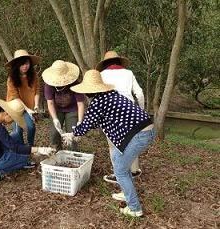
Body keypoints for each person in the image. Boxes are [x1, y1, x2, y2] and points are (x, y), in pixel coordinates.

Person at [62, 70, 155, 217]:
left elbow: (86, 125)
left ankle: (135, 208)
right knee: (121, 166)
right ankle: (127, 194)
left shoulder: (98, 102)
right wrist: (77, 132)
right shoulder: (111, 94)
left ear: (88, 92)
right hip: (144, 131)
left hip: (139, 135)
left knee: (120, 171)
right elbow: (93, 122)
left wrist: (72, 134)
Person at [0, 98, 55, 183]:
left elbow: (2, 140)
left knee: (16, 135)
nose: (13, 121)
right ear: (6, 114)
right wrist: (38, 149)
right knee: (27, 158)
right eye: (13, 118)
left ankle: (10, 160)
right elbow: (15, 148)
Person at [96, 50, 145, 183]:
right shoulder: (129, 73)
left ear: (105, 63)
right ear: (118, 61)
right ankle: (134, 171)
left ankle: (119, 174)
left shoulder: (101, 75)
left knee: (114, 146)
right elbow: (139, 94)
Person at [42, 60, 85, 151]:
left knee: (72, 134)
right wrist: (54, 119)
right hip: (57, 110)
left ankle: (73, 153)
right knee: (54, 133)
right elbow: (50, 103)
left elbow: (80, 104)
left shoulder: (75, 83)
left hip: (72, 109)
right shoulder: (49, 85)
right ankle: (57, 152)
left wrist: (80, 122)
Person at [6, 49, 41, 146]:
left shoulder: (33, 76)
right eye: (22, 64)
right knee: (18, 131)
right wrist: (27, 109)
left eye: (27, 63)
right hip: (15, 107)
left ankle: (30, 148)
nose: (25, 66)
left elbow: (37, 91)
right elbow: (15, 97)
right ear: (17, 65)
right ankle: (21, 151)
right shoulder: (11, 79)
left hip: (29, 107)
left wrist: (36, 106)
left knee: (31, 127)